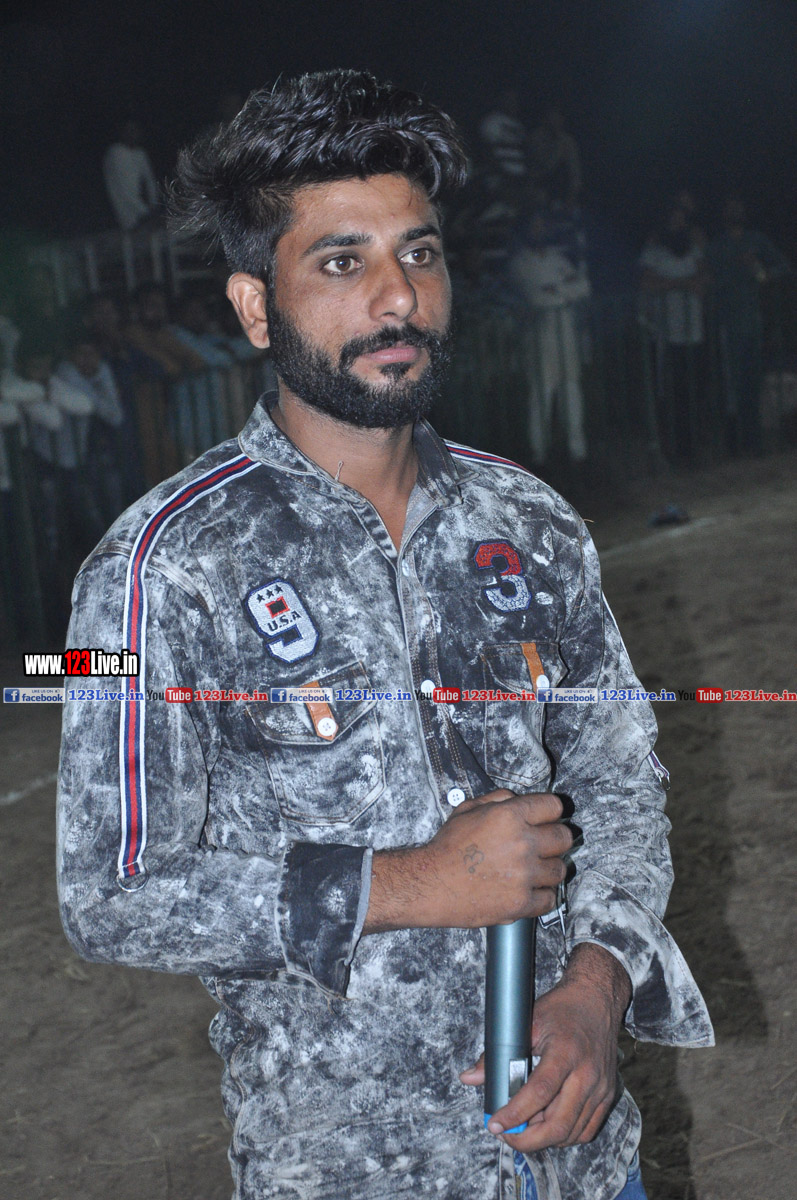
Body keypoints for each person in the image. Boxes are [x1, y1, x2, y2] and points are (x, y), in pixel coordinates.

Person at [57, 70, 712, 1200]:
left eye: (419, 253)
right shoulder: (153, 567)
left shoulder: (529, 522)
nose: (398, 297)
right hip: (353, 1167)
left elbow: (616, 780)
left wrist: (598, 987)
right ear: (255, 306)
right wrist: (403, 884)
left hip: (581, 1157)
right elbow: (109, 892)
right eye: (340, 262)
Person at [705, 197, 790, 455]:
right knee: (732, 385)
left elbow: (783, 267)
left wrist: (761, 272)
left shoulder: (756, 240)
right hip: (727, 323)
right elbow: (708, 278)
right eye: (731, 209)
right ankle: (733, 444)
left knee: (752, 382)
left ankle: (753, 443)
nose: (735, 212)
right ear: (724, 214)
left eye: (739, 208)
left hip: (753, 321)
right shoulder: (717, 246)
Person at [103, 118, 160, 232]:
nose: (133, 134)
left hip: (145, 214)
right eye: (129, 130)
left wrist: (154, 205)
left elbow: (150, 181)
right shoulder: (116, 153)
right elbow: (124, 190)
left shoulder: (140, 154)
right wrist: (145, 213)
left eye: (135, 130)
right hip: (128, 218)